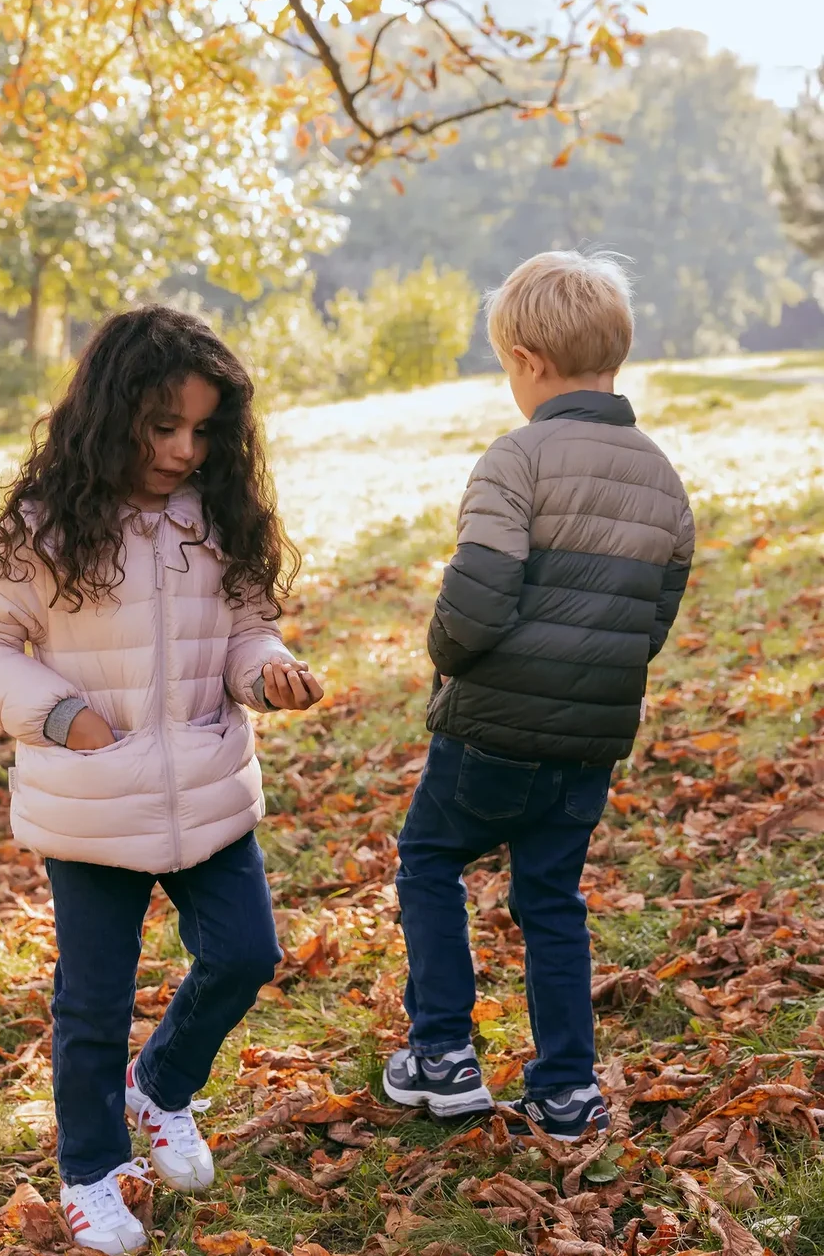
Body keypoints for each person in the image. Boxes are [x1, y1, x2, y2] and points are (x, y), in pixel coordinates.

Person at [0, 306, 324, 1255]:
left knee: (245, 953)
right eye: (164, 427)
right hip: (91, 798)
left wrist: (265, 669)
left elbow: (246, 629)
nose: (184, 449)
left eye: (203, 429)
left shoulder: (218, 514)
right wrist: (57, 712)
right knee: (93, 999)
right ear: (112, 413)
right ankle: (91, 1169)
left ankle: (160, 1085)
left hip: (208, 780)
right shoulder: (46, 525)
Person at [382, 251, 694, 1139]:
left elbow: (477, 595)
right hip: (587, 746)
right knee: (552, 900)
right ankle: (566, 1087)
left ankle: (442, 1049)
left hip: (489, 729)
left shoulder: (516, 459)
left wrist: (443, 653)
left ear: (525, 358)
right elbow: (653, 617)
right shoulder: (662, 477)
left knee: (430, 861)